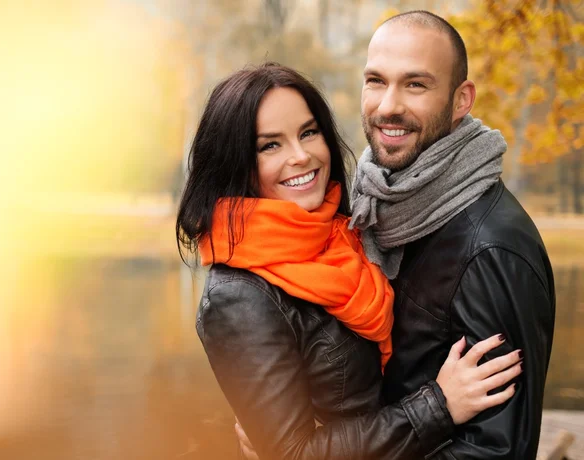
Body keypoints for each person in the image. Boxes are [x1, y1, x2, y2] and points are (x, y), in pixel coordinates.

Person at [237, 10, 556, 460]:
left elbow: (495, 452)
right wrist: (294, 432)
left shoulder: (492, 249)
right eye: (376, 80)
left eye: (416, 84)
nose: (388, 105)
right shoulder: (372, 207)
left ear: (461, 100)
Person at [176, 62, 523, 459]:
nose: (301, 156)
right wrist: (439, 405)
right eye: (270, 145)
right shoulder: (237, 297)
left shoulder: (344, 235)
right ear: (235, 162)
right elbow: (294, 454)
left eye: (309, 133)